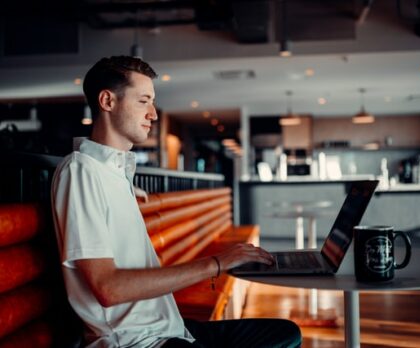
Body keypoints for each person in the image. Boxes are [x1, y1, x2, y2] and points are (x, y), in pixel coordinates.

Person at [51, 56, 302, 348]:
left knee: (286, 333)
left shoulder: (114, 172)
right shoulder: (81, 171)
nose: (153, 114)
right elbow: (108, 288)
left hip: (170, 327)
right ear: (107, 101)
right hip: (138, 342)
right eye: (144, 101)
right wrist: (217, 263)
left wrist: (132, 190)